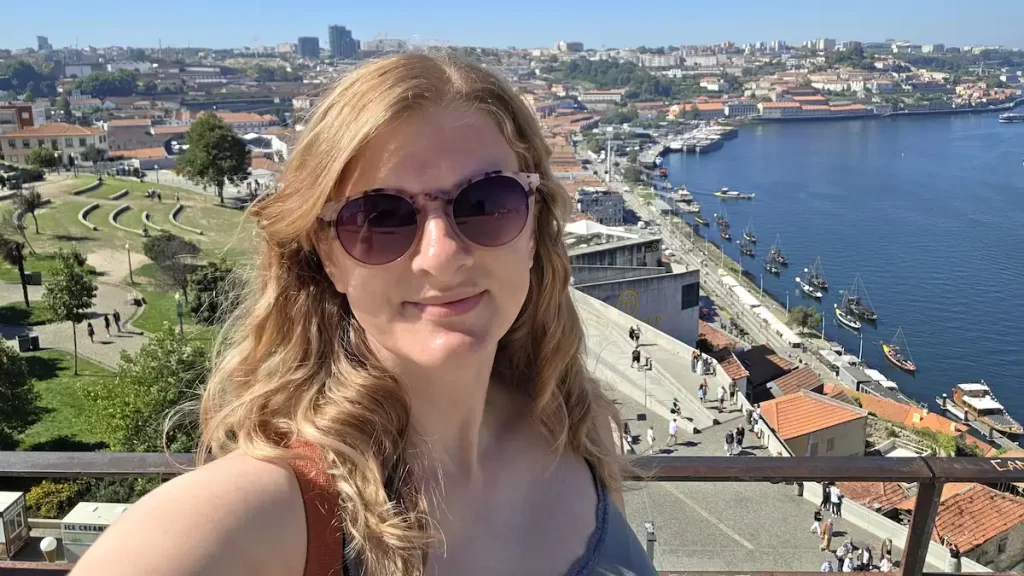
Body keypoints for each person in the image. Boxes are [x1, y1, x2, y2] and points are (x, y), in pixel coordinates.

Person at [69, 54, 658, 576]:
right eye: (380, 219)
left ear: (534, 228)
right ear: (327, 258)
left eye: (487, 203)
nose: (442, 255)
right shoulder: (261, 514)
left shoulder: (578, 429)